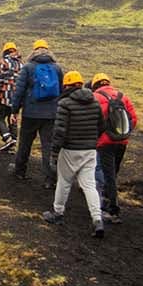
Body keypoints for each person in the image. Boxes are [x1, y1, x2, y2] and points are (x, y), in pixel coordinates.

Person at [42, 71, 106, 237]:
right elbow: (102, 126)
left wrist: (54, 152)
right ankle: (97, 219)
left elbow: (60, 131)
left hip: (70, 150)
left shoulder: (65, 104)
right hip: (90, 151)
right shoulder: (94, 101)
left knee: (64, 182)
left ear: (67, 85)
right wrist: (91, 141)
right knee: (89, 185)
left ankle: (58, 213)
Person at [10, 39, 64, 187]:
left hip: (31, 113)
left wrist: (14, 110)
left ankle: (19, 171)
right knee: (48, 146)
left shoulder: (28, 67)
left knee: (25, 143)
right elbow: (62, 91)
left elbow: (19, 90)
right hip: (51, 114)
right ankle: (50, 179)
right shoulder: (57, 68)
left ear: (34, 50)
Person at [90, 73, 138, 225]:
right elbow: (133, 119)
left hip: (105, 143)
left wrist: (98, 136)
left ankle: (112, 210)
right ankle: (107, 201)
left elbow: (92, 121)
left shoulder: (96, 97)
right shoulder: (122, 97)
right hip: (121, 142)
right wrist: (123, 134)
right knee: (112, 174)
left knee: (107, 175)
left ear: (95, 85)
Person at [0, 43, 23, 151]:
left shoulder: (3, 62)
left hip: (4, 96)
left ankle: (7, 138)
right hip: (17, 97)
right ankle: (13, 145)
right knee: (13, 119)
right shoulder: (21, 64)